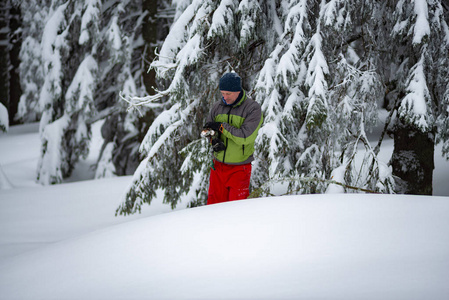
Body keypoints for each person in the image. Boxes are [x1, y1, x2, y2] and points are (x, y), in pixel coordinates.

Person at [203, 72, 263, 205]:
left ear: (238, 91)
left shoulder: (252, 108)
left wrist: (222, 127)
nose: (225, 97)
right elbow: (208, 129)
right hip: (218, 167)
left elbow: (245, 136)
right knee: (213, 207)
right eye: (222, 93)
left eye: (228, 94)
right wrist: (213, 140)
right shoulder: (217, 107)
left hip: (239, 168)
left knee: (236, 210)